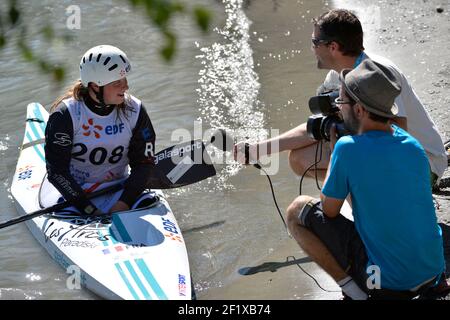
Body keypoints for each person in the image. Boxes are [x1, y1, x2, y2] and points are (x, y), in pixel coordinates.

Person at [286, 59, 446, 300]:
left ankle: (358, 293)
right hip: (432, 271)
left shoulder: (347, 149)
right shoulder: (411, 143)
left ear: (359, 110)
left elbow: (329, 211)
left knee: (296, 211)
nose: (339, 110)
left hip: (387, 283)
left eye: (341, 103)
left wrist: (335, 153)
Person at [234, 9, 447, 187]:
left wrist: (347, 152)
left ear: (333, 47)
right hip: (383, 155)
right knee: (299, 159)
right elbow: (320, 127)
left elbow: (400, 132)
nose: (311, 48)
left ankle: (367, 203)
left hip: (421, 165)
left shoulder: (377, 74)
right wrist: (259, 149)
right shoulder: (336, 76)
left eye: (314, 42)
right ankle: (353, 198)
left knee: (343, 154)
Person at [44, 45, 156, 215]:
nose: (126, 87)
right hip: (76, 194)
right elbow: (57, 172)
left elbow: (144, 163)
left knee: (150, 201)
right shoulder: (66, 115)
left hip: (119, 190)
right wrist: (88, 209)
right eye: (117, 83)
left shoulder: (135, 110)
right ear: (96, 86)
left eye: (124, 79)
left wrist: (124, 203)